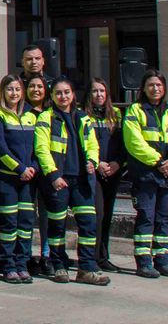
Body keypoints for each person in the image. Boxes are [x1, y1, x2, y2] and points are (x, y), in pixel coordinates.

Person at [34, 77, 109, 286]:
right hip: (59, 180)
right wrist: (53, 175)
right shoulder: (46, 118)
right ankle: (59, 266)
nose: (63, 96)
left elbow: (93, 144)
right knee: (57, 226)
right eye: (58, 93)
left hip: (83, 180)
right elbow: (42, 149)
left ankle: (87, 268)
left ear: (73, 94)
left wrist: (93, 161)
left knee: (88, 225)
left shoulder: (84, 118)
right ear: (52, 96)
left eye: (66, 92)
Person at [0, 75, 37, 284]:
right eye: (9, 89)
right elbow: (0, 149)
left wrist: (32, 167)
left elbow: (38, 146)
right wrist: (19, 168)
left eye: (17, 89)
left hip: (28, 180)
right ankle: (8, 266)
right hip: (7, 180)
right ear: (3, 92)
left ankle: (22, 264)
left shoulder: (31, 116)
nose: (14, 93)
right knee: (9, 224)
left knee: (26, 224)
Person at [121, 70, 168, 279]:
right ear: (143, 88)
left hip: (165, 174)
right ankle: (144, 262)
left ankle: (162, 259)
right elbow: (134, 142)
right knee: (146, 217)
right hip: (145, 174)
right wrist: (158, 162)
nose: (155, 89)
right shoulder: (135, 110)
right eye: (151, 85)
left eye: (158, 85)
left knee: (163, 219)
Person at [84, 77, 124, 273]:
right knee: (97, 216)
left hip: (113, 172)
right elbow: (83, 145)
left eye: (102, 91)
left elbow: (123, 144)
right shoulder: (84, 116)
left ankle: (103, 255)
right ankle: (92, 256)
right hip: (94, 173)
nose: (98, 95)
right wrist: (97, 163)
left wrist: (117, 163)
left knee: (107, 216)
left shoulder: (116, 115)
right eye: (94, 91)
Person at [23, 75, 53, 277]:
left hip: (47, 171)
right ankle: (25, 257)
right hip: (26, 171)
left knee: (46, 216)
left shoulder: (52, 113)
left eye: (39, 86)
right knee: (26, 217)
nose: (35, 90)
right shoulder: (22, 112)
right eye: (32, 86)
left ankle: (46, 255)